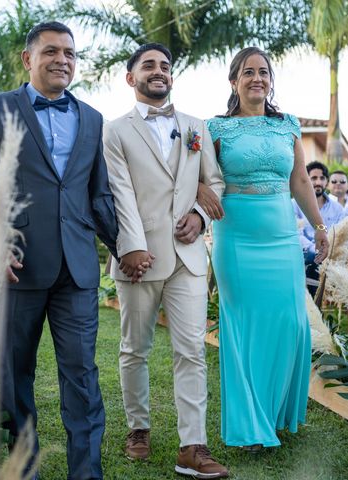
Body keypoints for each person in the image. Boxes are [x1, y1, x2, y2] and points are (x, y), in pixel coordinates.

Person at [0, 22, 119, 480]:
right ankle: (22, 471)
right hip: (18, 266)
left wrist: (122, 247)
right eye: (51, 51)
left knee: (83, 378)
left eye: (70, 53)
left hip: (77, 269)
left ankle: (85, 474)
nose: (62, 60)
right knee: (15, 380)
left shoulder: (92, 118)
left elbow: (99, 193)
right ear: (27, 59)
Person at [103, 43, 228, 479]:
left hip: (189, 258)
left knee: (191, 350)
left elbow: (213, 181)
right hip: (138, 256)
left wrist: (197, 214)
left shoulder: (197, 126)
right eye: (149, 65)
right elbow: (117, 190)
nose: (159, 72)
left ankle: (192, 446)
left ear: (171, 77)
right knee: (134, 349)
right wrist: (131, 248)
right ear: (131, 77)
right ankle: (138, 429)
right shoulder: (113, 131)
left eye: (165, 67)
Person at [202, 46, 329, 450]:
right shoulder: (215, 129)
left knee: (289, 324)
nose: (257, 78)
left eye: (264, 72)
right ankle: (250, 425)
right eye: (248, 72)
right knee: (243, 327)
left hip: (282, 238)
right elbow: (198, 174)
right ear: (234, 81)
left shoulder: (288, 125)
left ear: (271, 80)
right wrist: (202, 187)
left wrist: (320, 227)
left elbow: (301, 183)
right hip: (236, 238)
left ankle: (273, 412)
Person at [292, 161, 343, 295]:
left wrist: (327, 251)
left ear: (327, 182)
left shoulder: (337, 208)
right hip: (304, 258)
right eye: (313, 178)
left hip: (330, 259)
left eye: (322, 178)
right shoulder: (294, 204)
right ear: (306, 180)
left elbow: (340, 233)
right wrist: (316, 251)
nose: (318, 182)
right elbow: (296, 233)